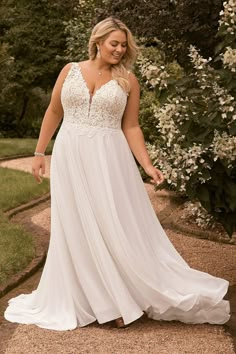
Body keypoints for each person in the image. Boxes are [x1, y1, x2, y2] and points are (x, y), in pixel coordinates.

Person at [4, 17, 230, 331]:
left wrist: (148, 165)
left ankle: (117, 298)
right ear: (97, 41)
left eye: (124, 45)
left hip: (109, 159)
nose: (120, 50)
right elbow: (54, 111)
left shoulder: (128, 81)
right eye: (115, 44)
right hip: (71, 155)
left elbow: (131, 127)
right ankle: (92, 299)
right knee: (76, 225)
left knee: (111, 224)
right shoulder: (70, 71)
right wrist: (40, 153)